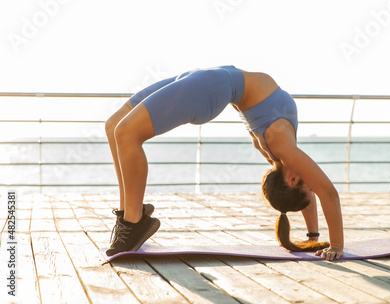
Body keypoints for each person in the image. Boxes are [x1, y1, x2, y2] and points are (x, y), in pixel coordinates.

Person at [104, 65, 344, 260]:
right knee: (114, 126)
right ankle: (131, 213)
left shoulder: (281, 150)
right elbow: (320, 193)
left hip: (212, 87)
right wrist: (315, 236)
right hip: (209, 80)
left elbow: (324, 193)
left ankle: (132, 221)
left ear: (291, 180)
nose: (313, 182)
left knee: (126, 133)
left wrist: (335, 246)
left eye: (308, 186)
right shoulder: (283, 153)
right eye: (310, 186)